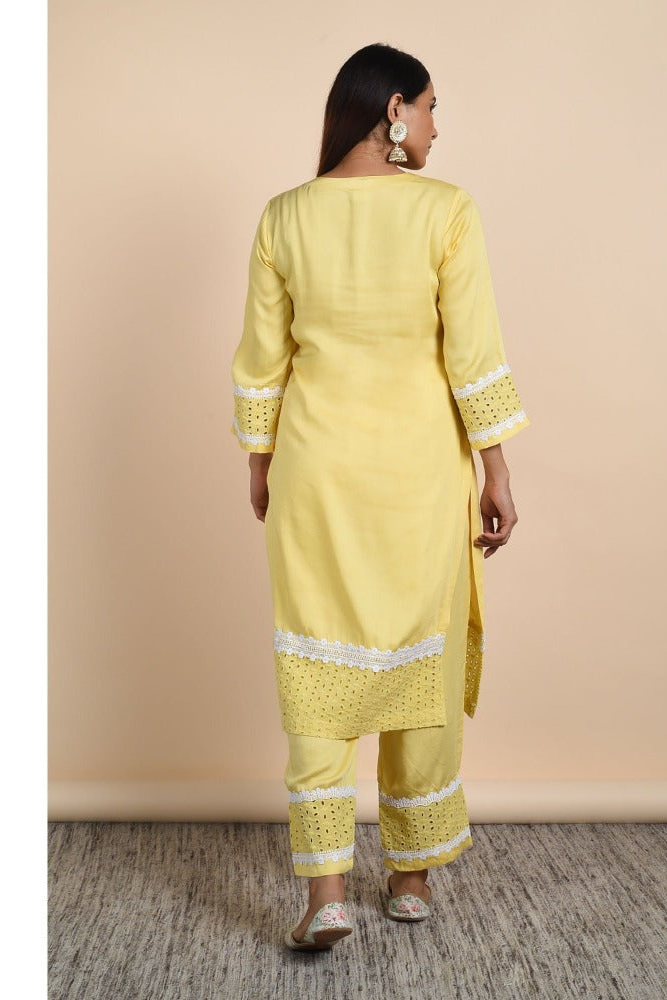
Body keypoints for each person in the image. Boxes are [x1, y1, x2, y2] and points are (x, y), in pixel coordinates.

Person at [229, 42, 531, 951]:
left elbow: (264, 360)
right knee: (418, 663)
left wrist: (260, 461)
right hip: (417, 479)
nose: (437, 128)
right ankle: (409, 880)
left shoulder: (285, 216)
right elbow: (471, 353)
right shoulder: (446, 211)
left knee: (316, 667)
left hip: (315, 475)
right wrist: (497, 470)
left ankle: (326, 894)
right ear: (394, 109)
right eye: (432, 108)